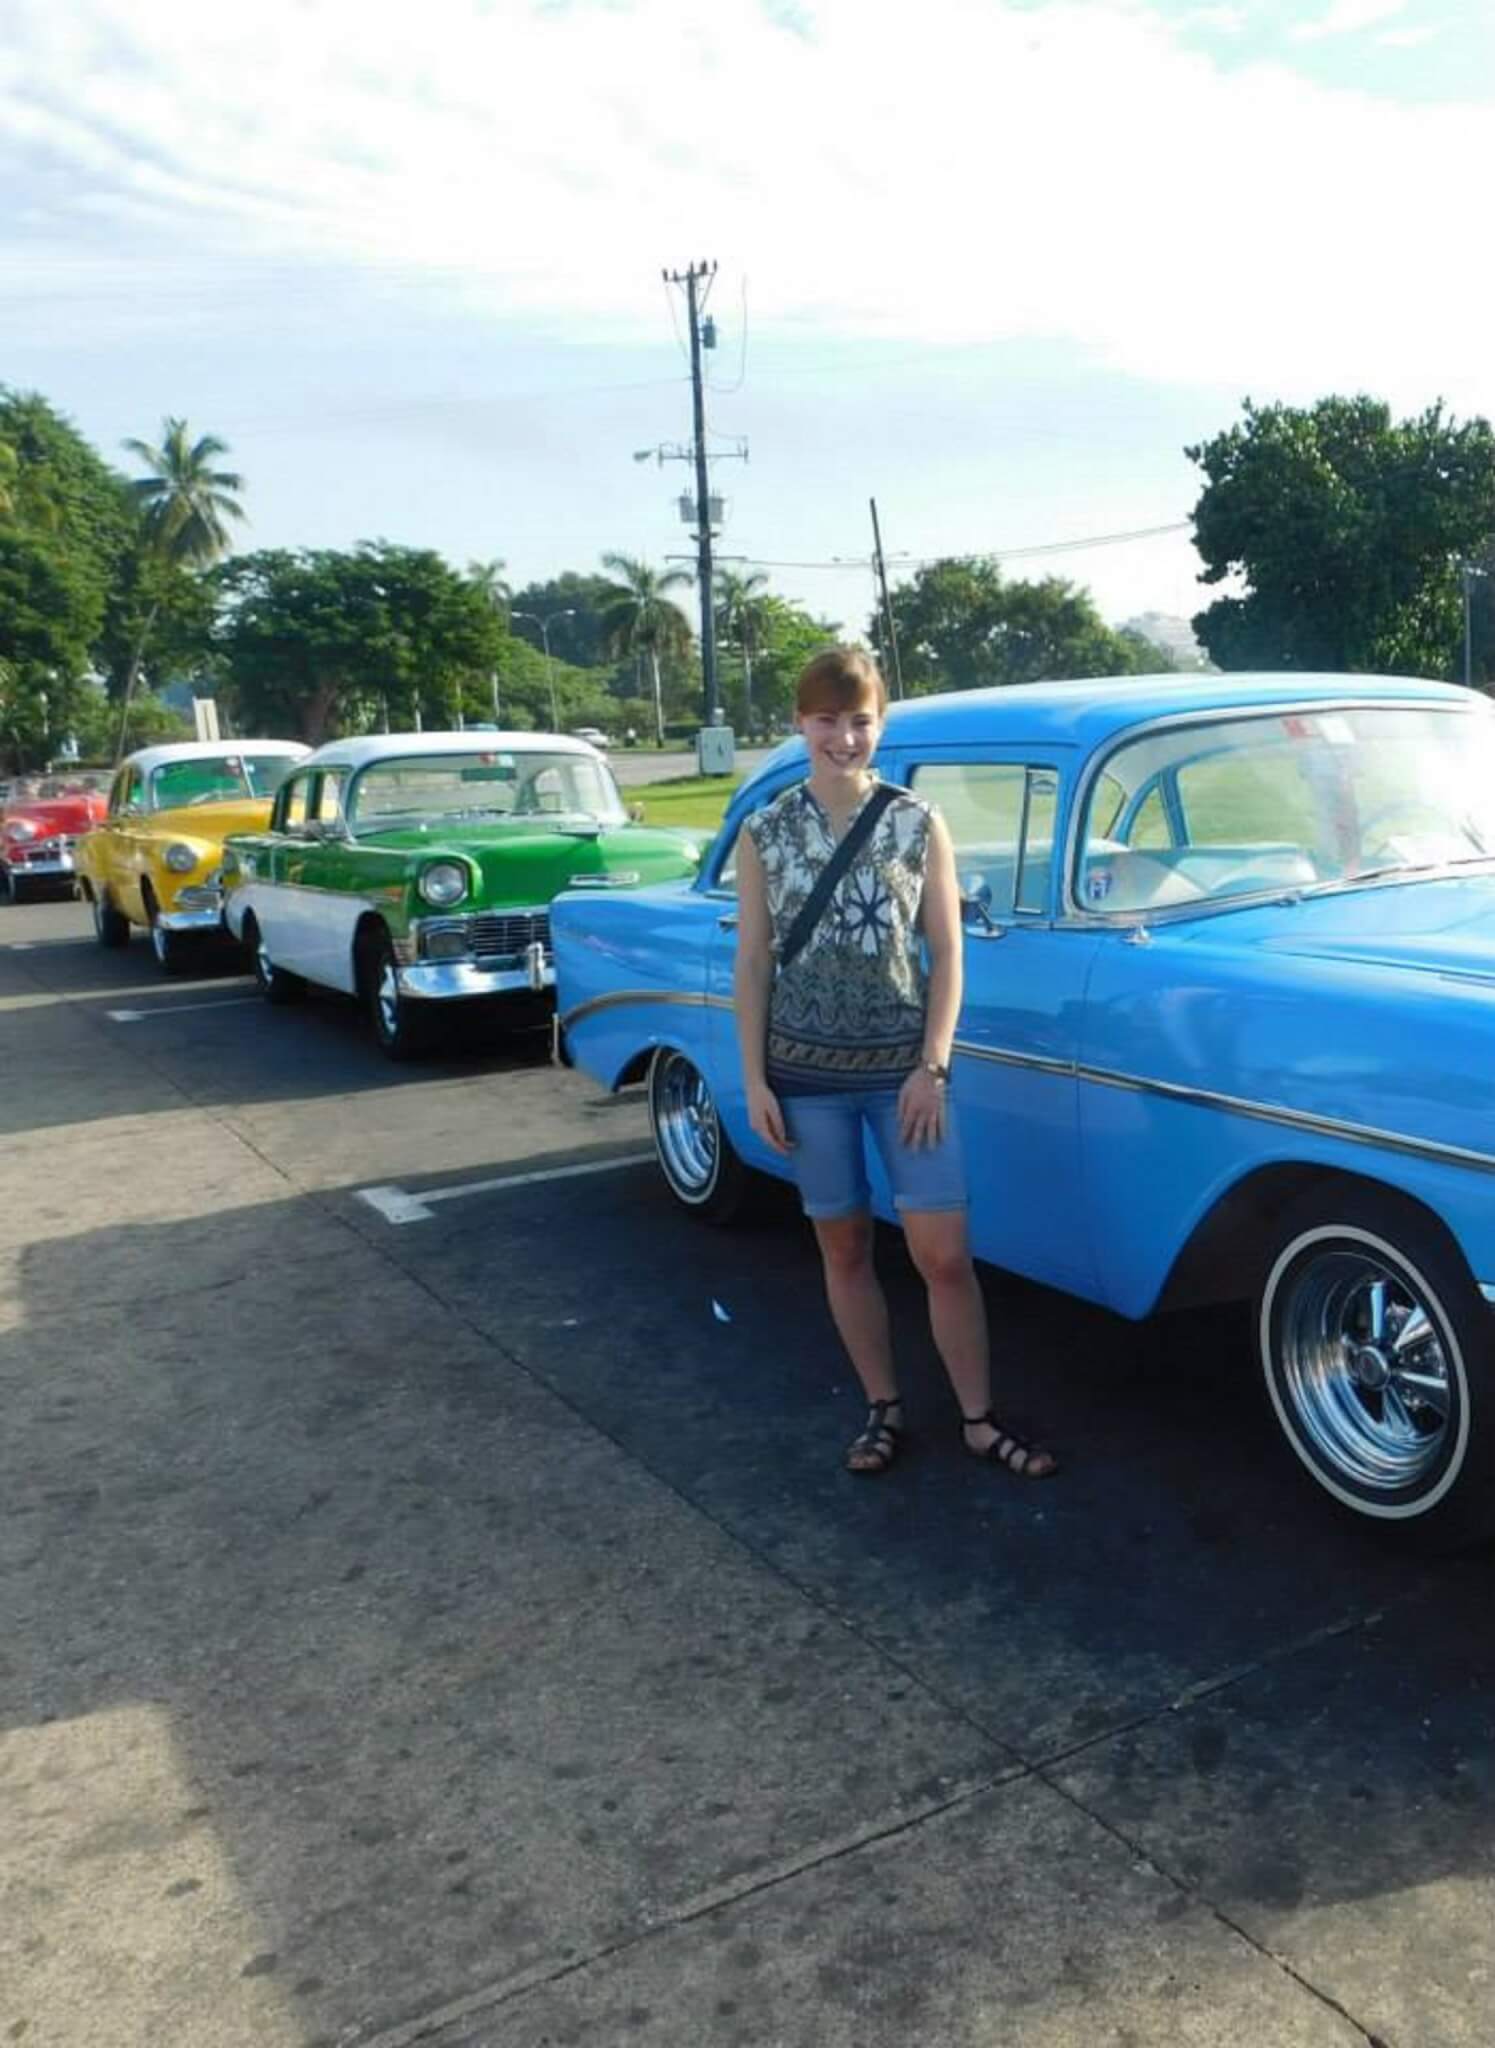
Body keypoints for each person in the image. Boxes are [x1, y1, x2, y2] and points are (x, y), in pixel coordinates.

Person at [734, 646, 1058, 1481]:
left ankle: (978, 1419)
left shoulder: (916, 822)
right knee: (843, 1249)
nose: (844, 738)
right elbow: (754, 961)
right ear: (799, 723)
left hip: (902, 1078)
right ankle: (882, 1406)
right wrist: (754, 1079)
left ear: (879, 724)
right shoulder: (765, 831)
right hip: (804, 1078)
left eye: (860, 721)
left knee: (943, 1255)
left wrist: (932, 1068)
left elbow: (947, 952)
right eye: (826, 720)